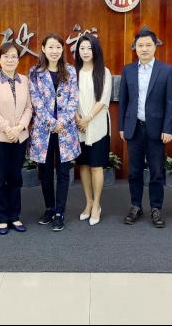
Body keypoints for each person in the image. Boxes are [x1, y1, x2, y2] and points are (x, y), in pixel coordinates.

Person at [119, 29, 172, 228]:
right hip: (134, 128)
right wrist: (122, 126)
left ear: (155, 47)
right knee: (134, 171)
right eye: (140, 45)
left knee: (157, 171)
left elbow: (171, 102)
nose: (144, 49)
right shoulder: (128, 70)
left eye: (148, 45)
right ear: (135, 48)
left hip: (157, 130)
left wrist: (168, 128)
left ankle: (156, 208)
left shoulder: (166, 70)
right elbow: (124, 101)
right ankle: (136, 206)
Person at [28, 33, 81, 232]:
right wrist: (52, 123)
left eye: (58, 47)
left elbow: (73, 99)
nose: (54, 51)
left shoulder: (70, 71)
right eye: (50, 47)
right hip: (44, 130)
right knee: (45, 172)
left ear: (62, 50)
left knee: (63, 172)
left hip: (65, 130)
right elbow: (36, 102)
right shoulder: (35, 72)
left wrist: (62, 121)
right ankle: (49, 208)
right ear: (43, 48)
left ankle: (60, 212)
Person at [0, 42, 33, 235]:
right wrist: (7, 129)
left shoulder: (24, 80)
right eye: (6, 56)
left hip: (19, 137)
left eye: (14, 56)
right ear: (0, 60)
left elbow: (29, 108)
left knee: (15, 178)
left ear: (18, 60)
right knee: (0, 179)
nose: (10, 60)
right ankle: (2, 218)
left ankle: (15, 216)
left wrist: (19, 128)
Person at [74, 34, 112, 226]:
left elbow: (103, 100)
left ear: (95, 50)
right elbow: (69, 99)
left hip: (97, 126)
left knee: (96, 166)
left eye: (89, 48)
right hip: (79, 126)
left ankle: (97, 205)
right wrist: (78, 119)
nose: (85, 52)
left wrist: (87, 119)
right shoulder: (73, 72)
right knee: (83, 166)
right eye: (82, 48)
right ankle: (88, 202)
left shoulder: (103, 72)